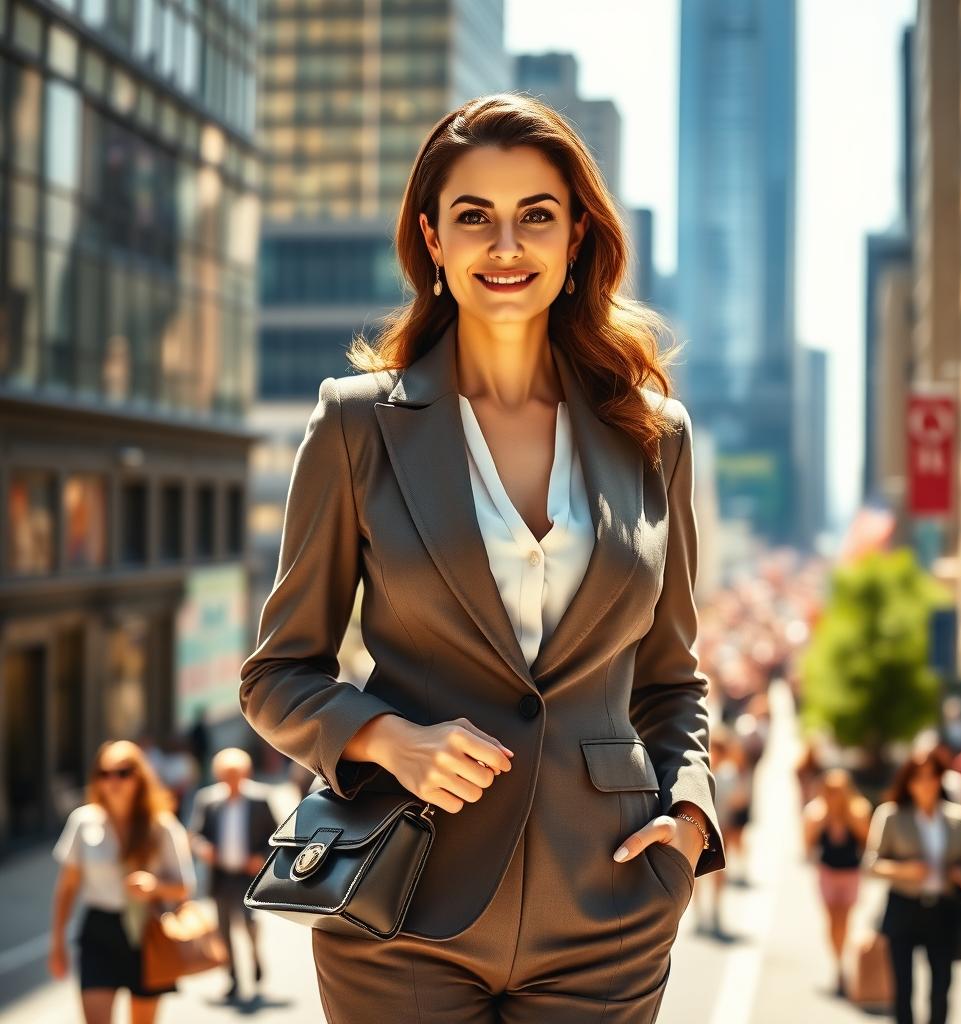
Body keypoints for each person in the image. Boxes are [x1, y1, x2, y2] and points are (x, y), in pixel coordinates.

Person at [238, 91, 726, 1022]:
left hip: (609, 911)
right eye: (475, 217)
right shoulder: (355, 424)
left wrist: (690, 819)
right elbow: (278, 675)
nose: (506, 246)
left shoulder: (654, 436)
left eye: (535, 216)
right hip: (403, 908)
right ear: (432, 238)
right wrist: (390, 739)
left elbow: (672, 680)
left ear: (578, 236)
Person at [49, 740, 196, 1024]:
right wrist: (57, 942)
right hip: (99, 931)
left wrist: (155, 886)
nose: (113, 781)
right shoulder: (83, 821)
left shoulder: (161, 825)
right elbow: (67, 887)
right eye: (104, 773)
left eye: (123, 773)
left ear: (140, 776)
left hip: (148, 930)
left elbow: (185, 887)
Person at [862, 748, 961, 1024]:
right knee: (903, 987)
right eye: (918, 777)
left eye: (931, 776)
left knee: (941, 986)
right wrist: (905, 870)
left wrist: (958, 873)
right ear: (908, 781)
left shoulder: (957, 819)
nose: (925, 784)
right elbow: (871, 865)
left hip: (943, 908)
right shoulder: (891, 815)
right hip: (904, 906)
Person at [188, 747, 279, 1001]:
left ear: (245, 773)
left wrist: (261, 858)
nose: (231, 779)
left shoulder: (259, 800)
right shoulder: (208, 800)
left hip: (248, 875)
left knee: (249, 922)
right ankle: (233, 977)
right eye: (225, 774)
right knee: (223, 929)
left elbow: (278, 835)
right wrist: (203, 848)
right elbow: (195, 834)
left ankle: (254, 954)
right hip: (221, 875)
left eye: (235, 773)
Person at [802, 768, 871, 997]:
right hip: (828, 873)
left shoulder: (858, 810)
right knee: (832, 920)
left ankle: (843, 962)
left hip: (850, 873)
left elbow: (867, 839)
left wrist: (847, 817)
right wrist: (824, 820)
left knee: (846, 919)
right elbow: (807, 844)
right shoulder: (816, 812)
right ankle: (838, 964)